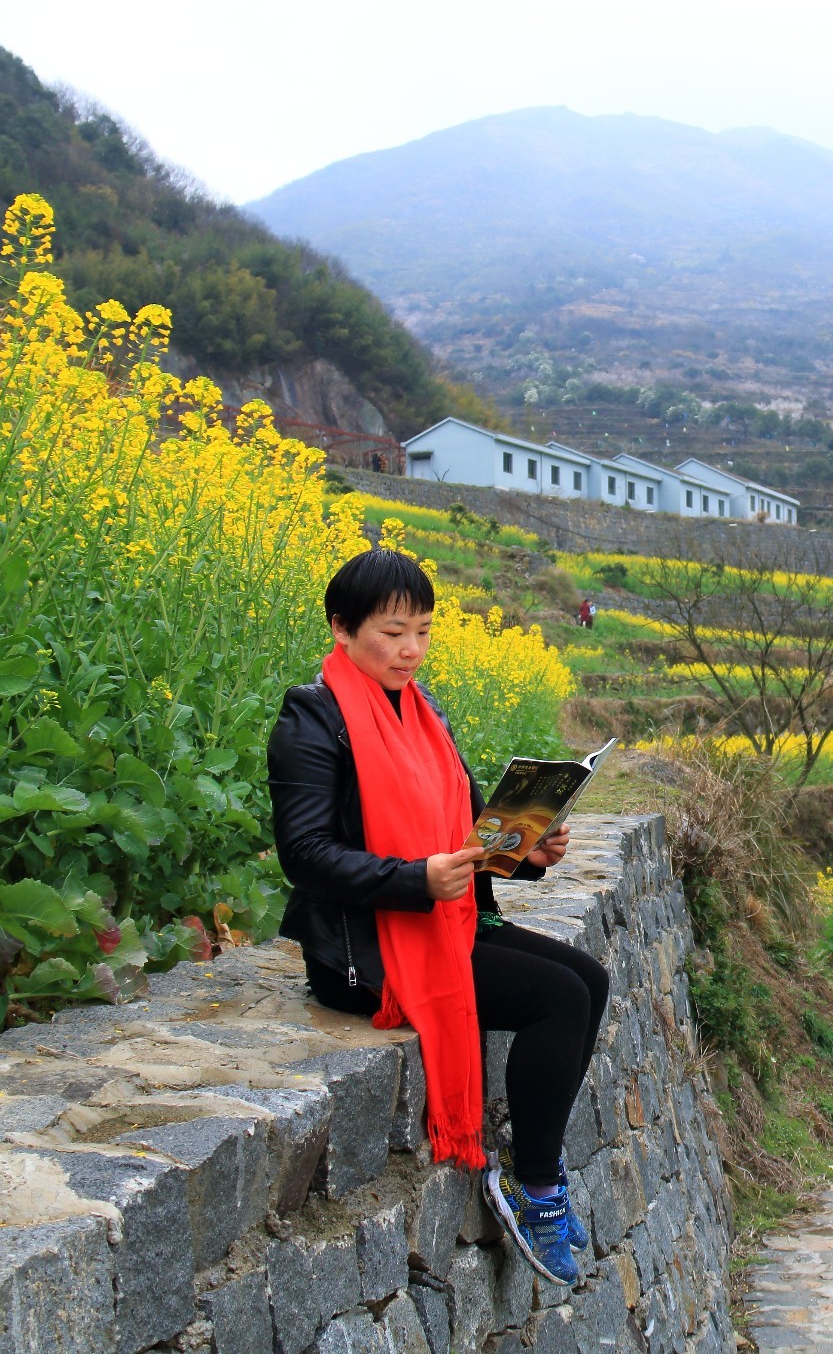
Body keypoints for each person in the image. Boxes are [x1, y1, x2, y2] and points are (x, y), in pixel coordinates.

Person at [267, 548, 608, 1286]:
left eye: (422, 631)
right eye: (392, 632)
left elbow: (466, 839)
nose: (410, 649)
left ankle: (531, 1160)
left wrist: (525, 849)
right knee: (562, 997)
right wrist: (415, 879)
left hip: (443, 920)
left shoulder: (426, 713)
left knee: (592, 976)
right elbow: (306, 855)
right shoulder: (312, 719)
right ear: (341, 627)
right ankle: (536, 1186)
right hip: (368, 949)